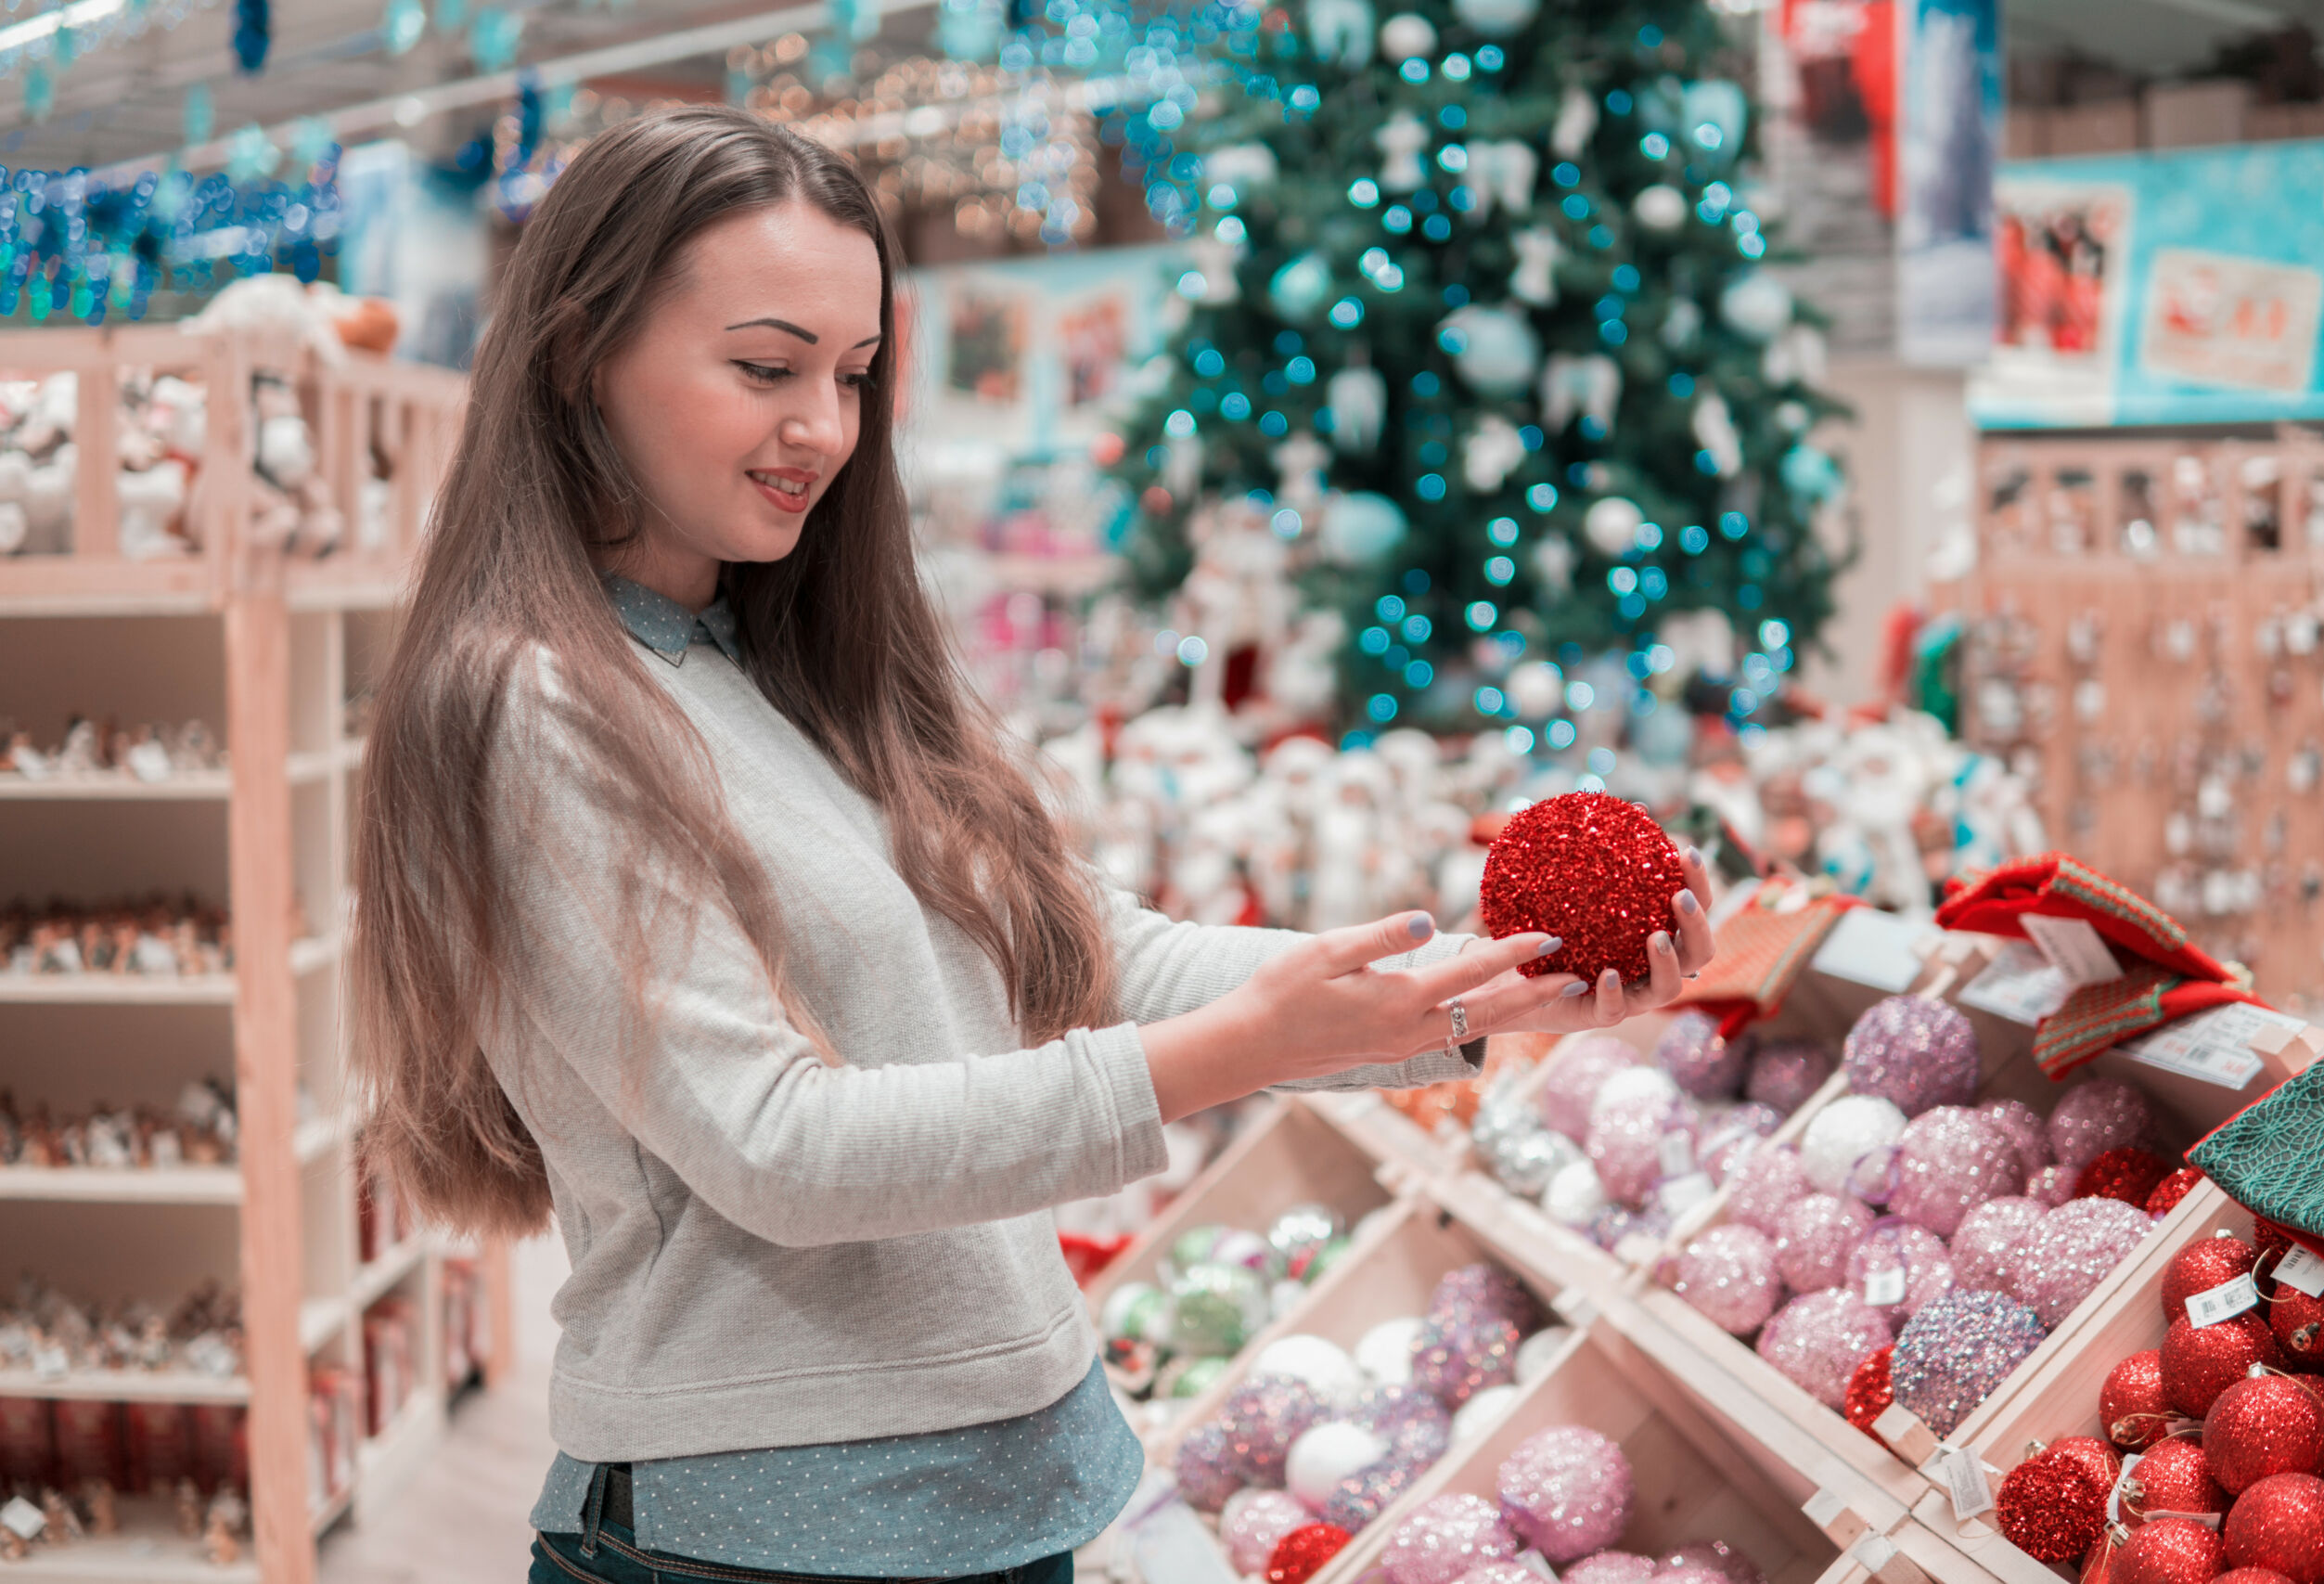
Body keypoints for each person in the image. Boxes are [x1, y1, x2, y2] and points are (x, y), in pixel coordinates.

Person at [350, 106, 1716, 1584]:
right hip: (752, 1535)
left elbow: (1093, 953)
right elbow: (781, 1148)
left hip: (1013, 1489)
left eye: (854, 374)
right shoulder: (534, 703)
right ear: (579, 356)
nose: (822, 425)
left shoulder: (807, 657)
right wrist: (1224, 1060)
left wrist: (1481, 990)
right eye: (763, 366)